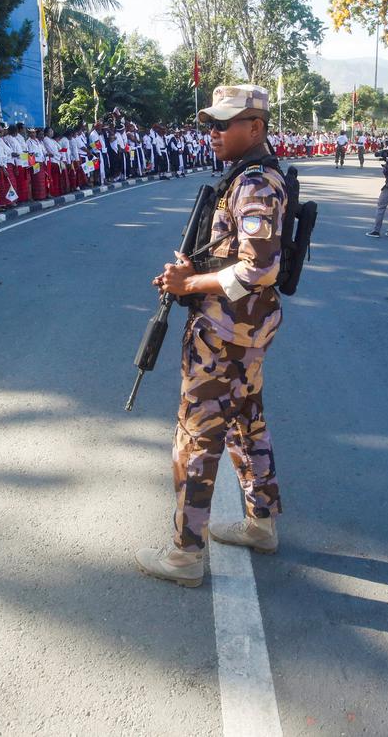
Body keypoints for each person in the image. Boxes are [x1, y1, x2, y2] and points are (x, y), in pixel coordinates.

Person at [136, 84, 286, 588]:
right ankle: (261, 524)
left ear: (256, 128)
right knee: (246, 422)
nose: (214, 132)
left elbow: (259, 268)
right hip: (243, 330)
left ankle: (185, 556)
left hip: (225, 332)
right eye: (211, 124)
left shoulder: (256, 184)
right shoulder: (246, 177)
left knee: (196, 439)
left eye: (224, 124)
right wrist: (193, 270)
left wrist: (190, 283)